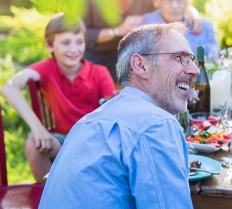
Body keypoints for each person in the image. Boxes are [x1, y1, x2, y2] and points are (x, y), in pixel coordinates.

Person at [39, 23, 199, 208]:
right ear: (140, 65)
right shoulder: (156, 124)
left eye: (192, 59)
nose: (195, 70)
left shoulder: (86, 122)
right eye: (180, 58)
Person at [1, 13, 115, 183]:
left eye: (79, 42)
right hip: (63, 142)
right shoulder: (47, 68)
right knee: (33, 145)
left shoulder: (99, 72)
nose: (74, 49)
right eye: (65, 42)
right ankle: (50, 197)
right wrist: (37, 128)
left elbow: (115, 113)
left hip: (96, 143)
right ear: (49, 45)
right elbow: (8, 88)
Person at [81, 0, 154, 82]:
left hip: (131, 58)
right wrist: (118, 31)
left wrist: (191, 11)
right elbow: (81, 33)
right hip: (96, 57)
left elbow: (165, 4)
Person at [142, 0, 219, 59]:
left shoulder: (205, 28)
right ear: (156, 0)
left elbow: (214, 62)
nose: (175, 5)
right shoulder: (142, 27)